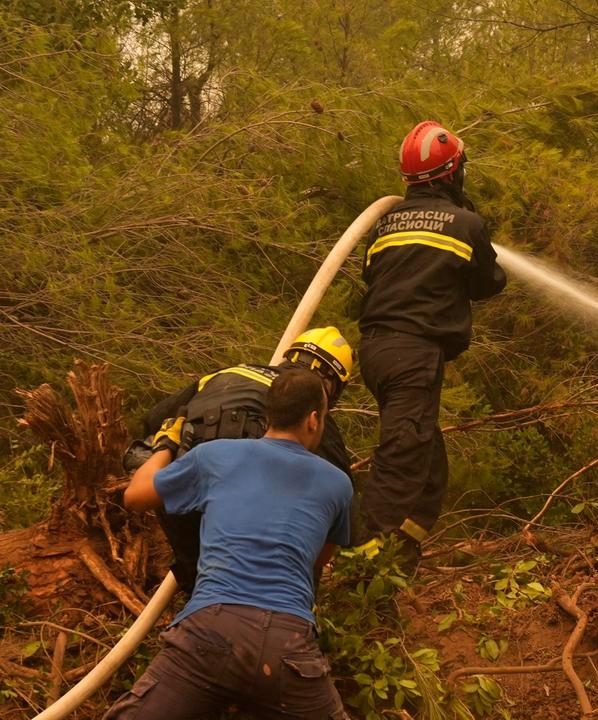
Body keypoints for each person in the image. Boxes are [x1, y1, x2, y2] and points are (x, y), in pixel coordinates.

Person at [106, 369, 352, 719]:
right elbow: (319, 558)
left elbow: (135, 496)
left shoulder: (214, 456)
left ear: (270, 412)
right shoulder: (338, 484)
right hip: (288, 645)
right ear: (314, 419)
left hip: (210, 631)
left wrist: (164, 445)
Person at [357, 120, 506, 553]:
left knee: (428, 474)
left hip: (377, 353)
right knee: (400, 465)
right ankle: (357, 576)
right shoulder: (466, 223)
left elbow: (373, 275)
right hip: (412, 355)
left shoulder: (384, 224)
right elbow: (487, 283)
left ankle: (396, 567)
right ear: (453, 173)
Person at [122, 327, 355, 594]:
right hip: (247, 512)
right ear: (332, 388)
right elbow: (340, 509)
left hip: (180, 481)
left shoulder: (226, 374)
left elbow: (154, 419)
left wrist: (165, 447)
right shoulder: (311, 413)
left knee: (202, 578)